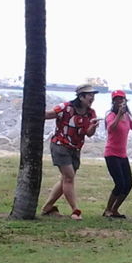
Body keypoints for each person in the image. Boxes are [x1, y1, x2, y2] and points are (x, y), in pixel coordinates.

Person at [42, 83, 101, 219]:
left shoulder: (91, 113)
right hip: (60, 145)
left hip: (75, 148)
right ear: (81, 97)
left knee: (65, 178)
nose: (92, 98)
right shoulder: (66, 107)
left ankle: (47, 208)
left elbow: (89, 133)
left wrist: (93, 127)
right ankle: (75, 210)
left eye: (93, 95)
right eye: (89, 95)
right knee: (69, 177)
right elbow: (47, 115)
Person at [102, 89, 132, 219]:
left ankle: (115, 209)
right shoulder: (111, 115)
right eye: (117, 99)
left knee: (128, 184)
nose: (119, 101)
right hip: (111, 154)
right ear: (113, 101)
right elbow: (111, 128)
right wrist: (119, 114)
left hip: (123, 155)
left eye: (121, 99)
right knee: (119, 184)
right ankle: (107, 209)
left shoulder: (127, 116)